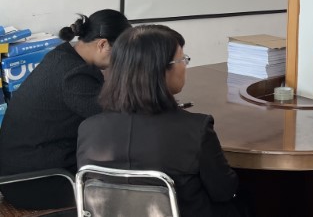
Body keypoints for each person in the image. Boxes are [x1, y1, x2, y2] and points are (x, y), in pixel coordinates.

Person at [77, 25, 244, 217]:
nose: (185, 66)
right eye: (182, 59)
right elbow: (223, 191)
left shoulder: (88, 129)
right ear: (161, 70)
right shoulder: (195, 130)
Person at [0, 9, 131, 210]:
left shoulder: (63, 55)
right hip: (36, 182)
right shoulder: (75, 75)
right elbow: (115, 122)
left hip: (22, 171)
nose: (122, 60)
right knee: (132, 181)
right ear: (103, 44)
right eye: (122, 53)